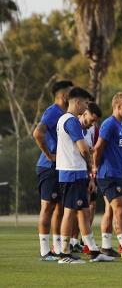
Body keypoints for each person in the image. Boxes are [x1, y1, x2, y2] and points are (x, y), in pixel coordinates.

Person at [55, 87, 113, 264]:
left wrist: (88, 173)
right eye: (86, 103)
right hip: (71, 172)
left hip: (76, 173)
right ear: (78, 102)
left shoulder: (67, 120)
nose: (86, 107)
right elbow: (83, 149)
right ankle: (64, 254)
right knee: (70, 212)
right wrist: (90, 161)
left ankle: (94, 252)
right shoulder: (71, 121)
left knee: (83, 212)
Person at [93, 92, 122, 259]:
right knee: (120, 209)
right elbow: (98, 148)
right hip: (108, 174)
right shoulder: (109, 124)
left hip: (119, 174)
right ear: (118, 106)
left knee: (110, 212)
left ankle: (105, 247)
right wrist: (96, 167)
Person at [32, 80, 73, 260]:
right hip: (48, 167)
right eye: (71, 93)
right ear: (63, 95)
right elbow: (37, 133)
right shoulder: (52, 111)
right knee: (47, 206)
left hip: (61, 167)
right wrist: (49, 155)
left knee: (60, 207)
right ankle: (44, 250)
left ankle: (57, 248)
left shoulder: (66, 114)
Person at [78, 101, 102, 254]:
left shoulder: (92, 129)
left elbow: (93, 151)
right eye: (91, 120)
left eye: (94, 121)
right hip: (71, 173)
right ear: (84, 113)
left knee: (89, 207)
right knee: (73, 210)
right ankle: (62, 244)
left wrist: (92, 175)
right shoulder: (72, 124)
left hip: (86, 172)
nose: (91, 123)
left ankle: (81, 242)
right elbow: (83, 151)